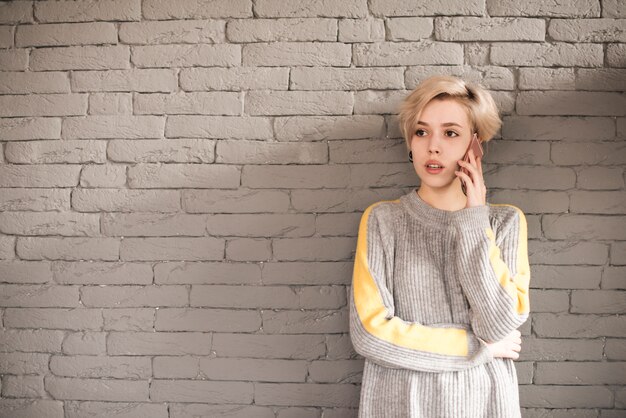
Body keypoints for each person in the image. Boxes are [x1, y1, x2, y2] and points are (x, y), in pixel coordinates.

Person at [349, 75, 531, 417]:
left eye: (450, 133)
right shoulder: (382, 221)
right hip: (401, 403)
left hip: (483, 401)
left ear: (475, 145)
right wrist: (479, 347)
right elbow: (370, 335)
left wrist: (474, 221)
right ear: (410, 142)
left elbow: (499, 325)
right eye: (421, 132)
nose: (433, 146)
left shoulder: (505, 224)